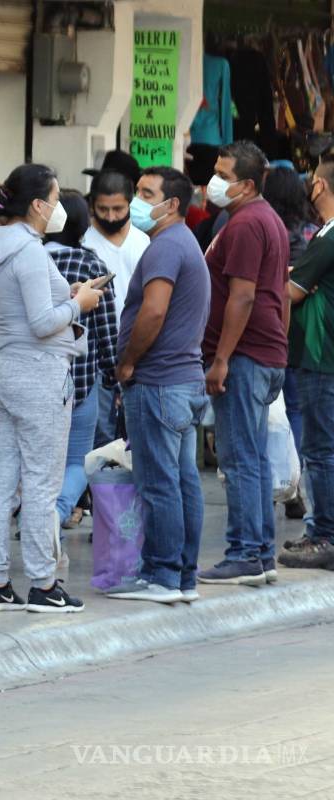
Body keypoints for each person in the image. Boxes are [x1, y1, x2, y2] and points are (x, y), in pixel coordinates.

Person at [0, 164, 104, 613]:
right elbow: (42, 322)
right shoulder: (28, 252)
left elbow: (21, 307)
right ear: (36, 205)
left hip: (6, 370)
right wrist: (78, 303)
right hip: (38, 375)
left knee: (4, 477)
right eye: (52, 200)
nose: (57, 208)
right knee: (41, 483)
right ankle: (44, 584)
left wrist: (68, 295)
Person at [107, 167, 211, 603]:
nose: (135, 201)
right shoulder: (181, 242)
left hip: (159, 383)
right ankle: (182, 576)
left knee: (159, 484)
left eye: (145, 193)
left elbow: (153, 313)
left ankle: (163, 576)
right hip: (182, 382)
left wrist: (128, 362)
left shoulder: (166, 247)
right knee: (183, 481)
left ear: (170, 205)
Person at [198, 141, 290, 587]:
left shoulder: (248, 225)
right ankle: (261, 553)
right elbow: (279, 297)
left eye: (223, 174)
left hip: (245, 356)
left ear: (247, 184)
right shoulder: (264, 219)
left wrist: (221, 359)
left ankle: (244, 553)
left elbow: (245, 295)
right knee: (252, 458)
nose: (213, 180)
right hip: (263, 353)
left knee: (238, 460)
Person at [44, 190, 118, 530]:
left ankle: (35, 516)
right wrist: (116, 376)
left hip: (34, 375)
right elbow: (107, 331)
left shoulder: (33, 258)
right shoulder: (92, 266)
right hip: (81, 381)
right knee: (76, 461)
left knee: (39, 461)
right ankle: (56, 515)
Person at [279, 160, 334, 568]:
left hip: (320, 356)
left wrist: (290, 282)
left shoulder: (328, 238)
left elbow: (290, 293)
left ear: (318, 185)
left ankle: (324, 535)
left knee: (320, 451)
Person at [262, 167, 317, 523]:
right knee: (294, 410)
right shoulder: (311, 233)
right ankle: (291, 484)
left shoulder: (265, 229)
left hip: (268, 330)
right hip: (303, 333)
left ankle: (272, 484)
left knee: (266, 413)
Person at [82, 169, 150, 445]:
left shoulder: (143, 241)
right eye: (103, 209)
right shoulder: (84, 244)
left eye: (118, 209)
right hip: (97, 357)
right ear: (92, 206)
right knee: (101, 439)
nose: (111, 216)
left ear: (130, 204)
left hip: (139, 351)